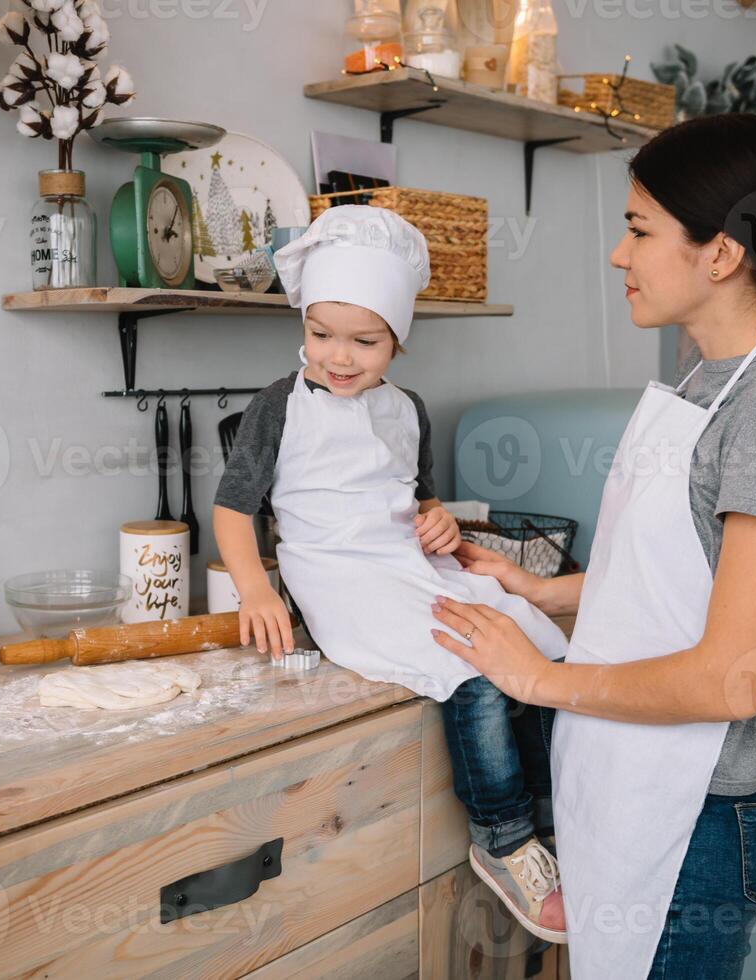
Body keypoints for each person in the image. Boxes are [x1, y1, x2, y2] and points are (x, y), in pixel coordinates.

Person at [429, 113, 756, 978]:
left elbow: (732, 672)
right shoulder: (704, 381)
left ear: (720, 253)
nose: (620, 255)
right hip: (630, 785)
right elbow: (680, 578)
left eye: (639, 229)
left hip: (700, 818)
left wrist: (538, 679)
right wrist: (544, 593)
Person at [212, 205, 571, 940]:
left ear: (398, 342)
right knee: (467, 664)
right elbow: (232, 507)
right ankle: (504, 840)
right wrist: (254, 586)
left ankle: (551, 822)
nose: (339, 357)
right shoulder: (278, 407)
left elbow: (419, 499)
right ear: (302, 326)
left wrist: (437, 520)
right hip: (338, 575)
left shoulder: (408, 409)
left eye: (364, 341)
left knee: (524, 639)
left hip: (408, 564)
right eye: (321, 335)